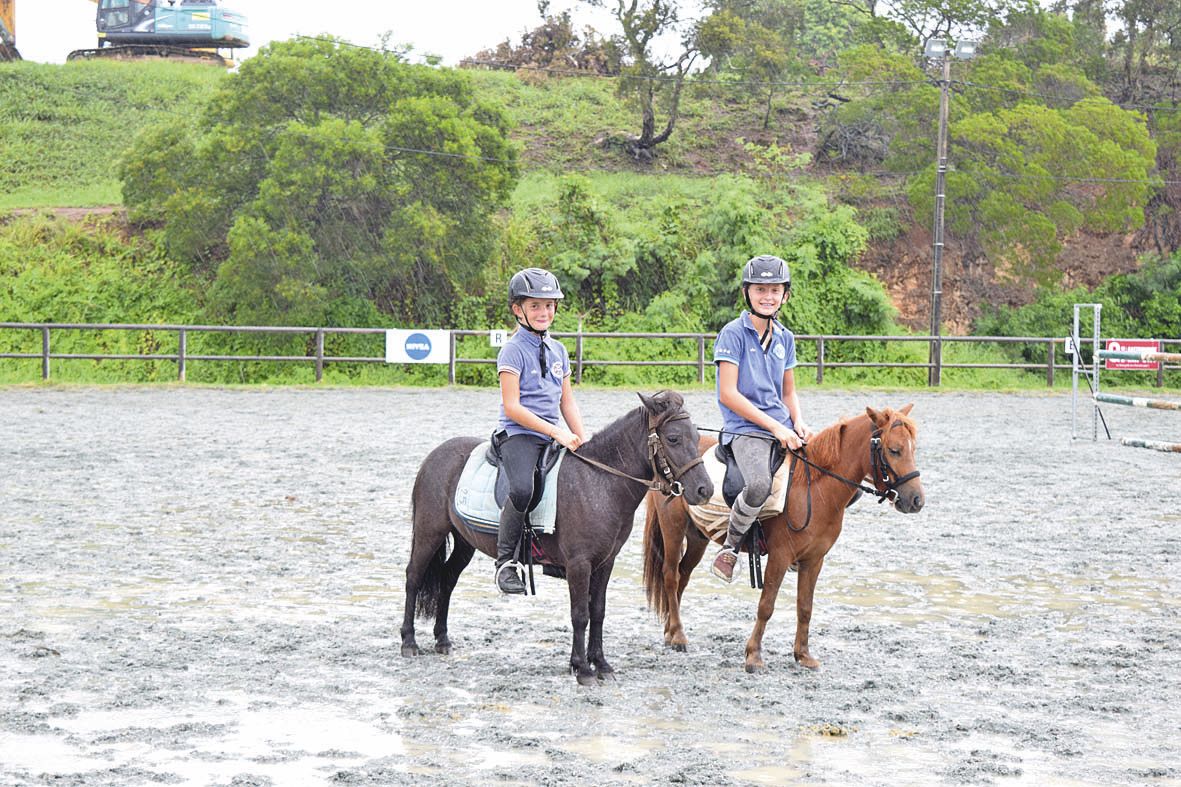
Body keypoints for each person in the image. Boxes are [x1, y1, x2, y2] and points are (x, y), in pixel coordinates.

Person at [710, 254, 814, 583]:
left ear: (785, 295)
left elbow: (788, 392)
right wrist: (775, 427)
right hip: (746, 430)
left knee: (835, 475)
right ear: (747, 293)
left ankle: (799, 544)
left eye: (774, 290)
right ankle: (729, 548)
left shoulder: (785, 338)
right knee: (757, 484)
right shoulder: (732, 334)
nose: (767, 296)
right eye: (760, 290)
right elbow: (728, 394)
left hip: (782, 426)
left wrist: (798, 421)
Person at [492, 267, 586, 594]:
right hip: (519, 434)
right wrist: (556, 432)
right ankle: (505, 562)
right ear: (518, 310)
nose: (544, 312)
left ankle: (553, 555)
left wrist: (581, 437)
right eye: (535, 306)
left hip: (551, 434)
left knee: (575, 485)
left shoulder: (559, 350)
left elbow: (567, 402)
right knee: (521, 489)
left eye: (548, 306)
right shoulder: (512, 350)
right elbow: (512, 407)